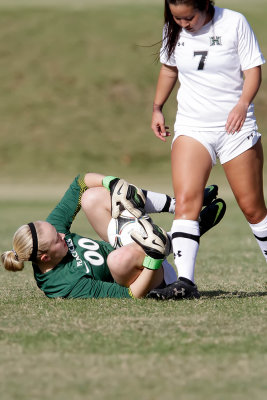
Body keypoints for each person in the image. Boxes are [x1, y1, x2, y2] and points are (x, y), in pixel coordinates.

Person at [149, 0, 266, 300]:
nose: (183, 24)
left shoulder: (234, 22)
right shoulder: (172, 29)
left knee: (253, 208)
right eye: (177, 18)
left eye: (189, 17)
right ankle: (185, 283)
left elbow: (253, 70)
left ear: (204, 6)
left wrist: (242, 105)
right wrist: (157, 108)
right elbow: (168, 68)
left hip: (235, 128)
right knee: (187, 199)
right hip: (192, 127)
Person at [1, 172, 225, 299]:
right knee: (116, 260)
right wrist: (153, 259)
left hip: (128, 246)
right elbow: (130, 295)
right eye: (58, 240)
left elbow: (80, 183)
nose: (62, 235)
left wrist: (112, 182)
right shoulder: (62, 285)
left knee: (92, 197)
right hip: (150, 278)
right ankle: (178, 237)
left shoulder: (50, 232)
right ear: (45, 258)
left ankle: (180, 206)